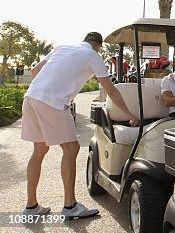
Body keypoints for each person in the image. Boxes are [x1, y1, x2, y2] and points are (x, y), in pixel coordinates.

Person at [21, 32, 139, 219]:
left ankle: (31, 206)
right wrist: (130, 115)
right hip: (53, 103)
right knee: (71, 149)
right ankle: (70, 206)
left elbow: (35, 71)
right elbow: (111, 91)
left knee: (39, 150)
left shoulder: (61, 47)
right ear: (98, 46)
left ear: (85, 41)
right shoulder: (93, 56)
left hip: (31, 98)